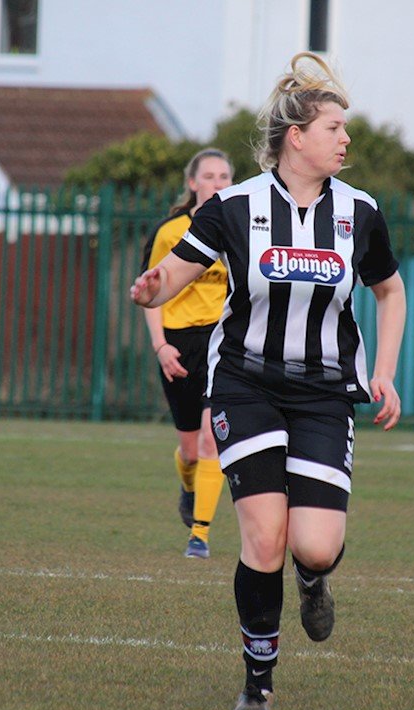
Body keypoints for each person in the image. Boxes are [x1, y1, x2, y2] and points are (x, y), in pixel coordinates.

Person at [131, 52, 406, 710]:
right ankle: (258, 682)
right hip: (245, 385)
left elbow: (390, 291)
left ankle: (314, 579)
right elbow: (176, 272)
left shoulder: (360, 212)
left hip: (323, 392)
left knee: (315, 545)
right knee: (263, 537)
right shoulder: (234, 207)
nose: (346, 139)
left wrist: (384, 373)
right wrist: (152, 289)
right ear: (297, 137)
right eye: (335, 127)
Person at [139, 148, 234, 559]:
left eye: (225, 176)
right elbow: (152, 293)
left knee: (214, 439)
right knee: (191, 451)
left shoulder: (241, 229)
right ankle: (188, 483)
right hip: (178, 344)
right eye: (209, 176)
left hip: (222, 343)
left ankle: (200, 535)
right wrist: (161, 347)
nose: (217, 183)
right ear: (192, 183)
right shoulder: (169, 231)